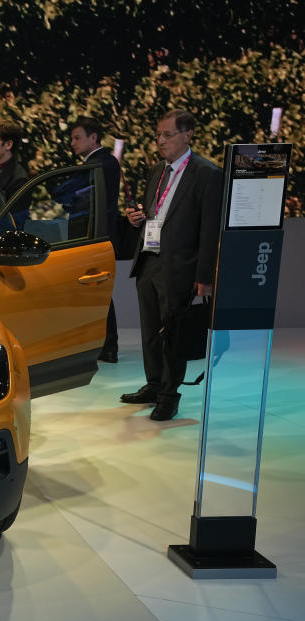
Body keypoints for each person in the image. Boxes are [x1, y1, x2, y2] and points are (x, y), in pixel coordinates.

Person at [121, 109, 223, 421]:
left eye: (168, 134)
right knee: (151, 331)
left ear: (188, 134)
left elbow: (209, 229)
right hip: (149, 259)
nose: (160, 141)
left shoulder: (206, 173)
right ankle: (154, 384)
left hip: (180, 266)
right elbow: (154, 213)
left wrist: (204, 276)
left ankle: (169, 395)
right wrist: (137, 218)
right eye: (158, 135)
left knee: (173, 334)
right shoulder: (157, 171)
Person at [70, 116, 122, 363]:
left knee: (98, 292)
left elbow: (79, 198)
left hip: (95, 237)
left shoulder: (101, 164)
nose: (73, 143)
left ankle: (107, 345)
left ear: (93, 137)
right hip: (92, 236)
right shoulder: (99, 163)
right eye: (72, 138)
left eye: (77, 138)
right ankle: (102, 344)